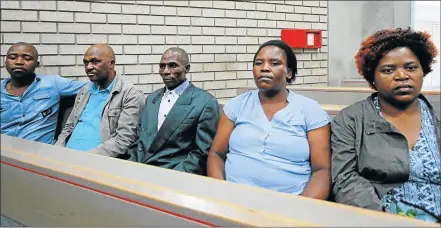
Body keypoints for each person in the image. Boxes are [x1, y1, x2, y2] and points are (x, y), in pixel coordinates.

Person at [331, 28, 440, 223]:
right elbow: (345, 179)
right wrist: (381, 220)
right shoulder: (350, 119)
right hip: (381, 217)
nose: (401, 75)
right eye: (388, 70)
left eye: (411, 67)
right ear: (372, 79)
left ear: (423, 71)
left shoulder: (436, 115)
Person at [207, 40, 331, 199]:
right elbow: (216, 154)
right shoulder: (236, 105)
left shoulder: (310, 111)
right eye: (259, 63)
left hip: (290, 203)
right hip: (233, 199)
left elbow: (321, 170)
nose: (264, 68)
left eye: (274, 63)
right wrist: (221, 194)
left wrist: (301, 211)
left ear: (289, 73)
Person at [128, 47, 219, 175]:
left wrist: (172, 178)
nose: (166, 71)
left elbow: (202, 153)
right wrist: (129, 165)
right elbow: (139, 140)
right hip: (137, 172)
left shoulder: (205, 102)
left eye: (172, 66)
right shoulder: (152, 99)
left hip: (173, 176)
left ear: (187, 68)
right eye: (162, 66)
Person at [55, 44, 145, 158]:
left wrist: (84, 158)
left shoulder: (131, 94)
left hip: (95, 161)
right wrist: (57, 150)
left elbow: (123, 140)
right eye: (86, 63)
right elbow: (69, 127)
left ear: (111, 64)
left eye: (95, 61)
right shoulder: (85, 90)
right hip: (65, 156)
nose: (88, 67)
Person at [1, 42, 85, 144]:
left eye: (27, 58)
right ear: (5, 61)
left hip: (41, 154)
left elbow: (91, 87)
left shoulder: (53, 83)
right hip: (5, 154)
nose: (19, 62)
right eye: (13, 57)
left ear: (37, 64)